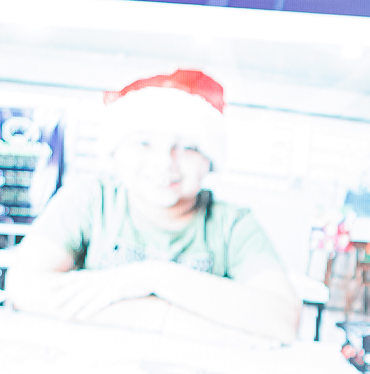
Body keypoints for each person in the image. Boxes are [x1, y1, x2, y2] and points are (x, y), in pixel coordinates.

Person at [4, 69, 300, 344]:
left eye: (188, 147)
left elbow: (283, 320)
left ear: (210, 160)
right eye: (144, 143)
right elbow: (24, 288)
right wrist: (165, 318)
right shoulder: (91, 199)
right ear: (116, 152)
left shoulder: (232, 224)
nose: (164, 163)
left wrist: (156, 277)